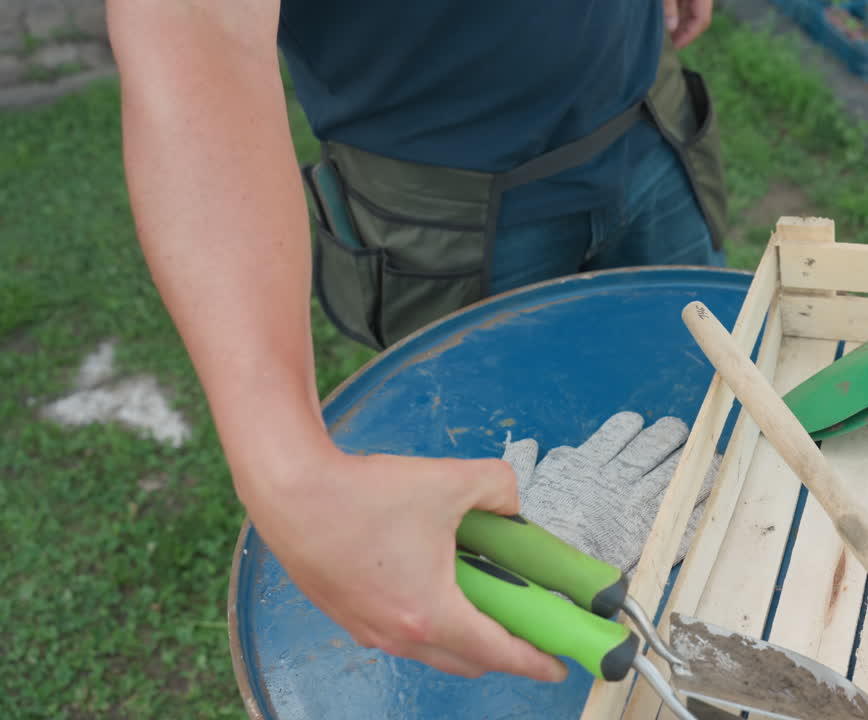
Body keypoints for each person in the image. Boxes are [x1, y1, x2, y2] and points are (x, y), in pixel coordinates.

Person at [105, 0, 729, 688]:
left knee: (718, 440)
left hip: (646, 117)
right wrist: (291, 478)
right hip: (450, 207)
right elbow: (202, 39)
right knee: (508, 555)